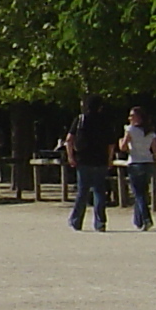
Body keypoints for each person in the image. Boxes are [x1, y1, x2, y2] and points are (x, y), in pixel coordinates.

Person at [65, 95, 111, 232]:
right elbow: (111, 143)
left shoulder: (81, 119)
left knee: (82, 191)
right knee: (99, 191)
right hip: (100, 159)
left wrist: (70, 156)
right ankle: (100, 222)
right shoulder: (105, 121)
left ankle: (76, 220)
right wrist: (109, 159)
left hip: (84, 159)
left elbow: (69, 139)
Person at [118, 106, 156, 231]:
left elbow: (123, 147)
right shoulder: (150, 132)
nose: (129, 118)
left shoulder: (130, 130)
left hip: (135, 162)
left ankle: (147, 219)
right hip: (148, 163)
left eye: (132, 116)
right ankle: (138, 220)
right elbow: (155, 150)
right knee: (142, 192)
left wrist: (120, 140)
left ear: (138, 117)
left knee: (138, 194)